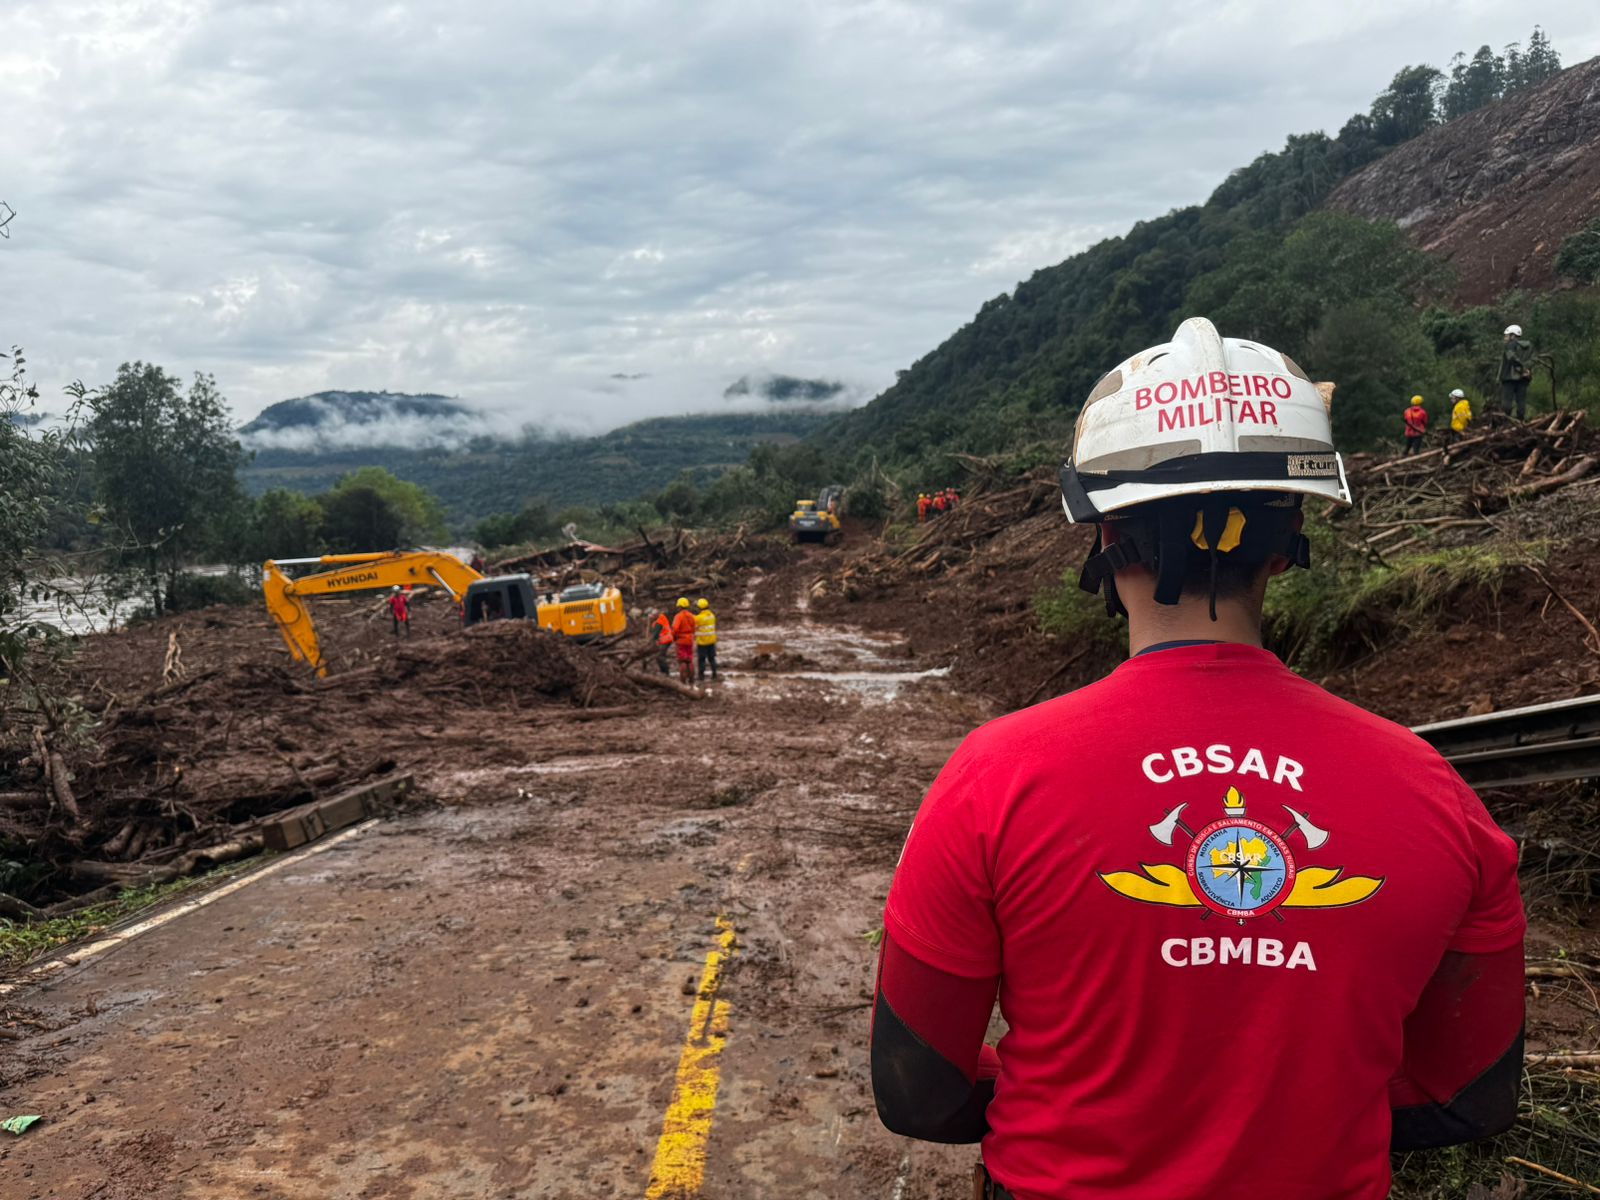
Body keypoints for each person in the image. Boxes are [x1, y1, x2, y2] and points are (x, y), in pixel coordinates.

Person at [871, 317, 1525, 1200]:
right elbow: (1474, 1096)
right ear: (1290, 539)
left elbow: (917, 1090)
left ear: (1102, 535)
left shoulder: (993, 779)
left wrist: (1069, 1102)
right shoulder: (1435, 795)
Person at [1499, 323, 1534, 419]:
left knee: (1507, 403)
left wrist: (1521, 369)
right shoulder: (1529, 346)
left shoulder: (1510, 345)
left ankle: (1505, 423)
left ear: (1513, 336)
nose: (1505, 338)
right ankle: (1521, 423)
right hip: (1524, 378)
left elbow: (1512, 358)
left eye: (1507, 335)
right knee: (1521, 402)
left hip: (1509, 378)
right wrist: (1526, 370)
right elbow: (1533, 360)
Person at [670, 597, 697, 685]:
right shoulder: (692, 616)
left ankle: (683, 681)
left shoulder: (678, 616)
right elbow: (694, 628)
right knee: (689, 660)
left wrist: (673, 637)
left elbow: (675, 629)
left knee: (682, 661)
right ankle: (692, 680)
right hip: (689, 640)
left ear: (679, 606)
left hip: (681, 640)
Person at [694, 597, 719, 681]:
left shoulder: (698, 618)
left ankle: (701, 676)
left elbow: (694, 627)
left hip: (702, 642)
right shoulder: (712, 616)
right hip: (711, 640)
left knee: (701, 659)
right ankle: (714, 674)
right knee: (712, 658)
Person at [653, 608, 675, 676]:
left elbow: (656, 633)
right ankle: (664, 671)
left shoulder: (659, 621)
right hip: (667, 639)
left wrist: (655, 640)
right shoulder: (662, 618)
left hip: (665, 639)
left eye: (653, 615)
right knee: (661, 656)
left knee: (660, 656)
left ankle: (665, 672)